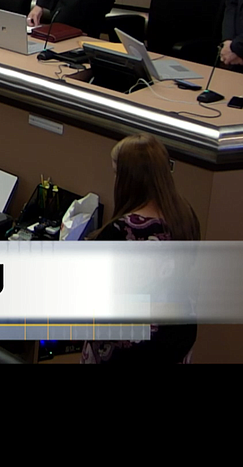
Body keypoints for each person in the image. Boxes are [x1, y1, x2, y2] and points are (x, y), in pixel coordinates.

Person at [81, 134, 200, 364]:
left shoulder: (120, 231)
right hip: (176, 338)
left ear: (129, 179)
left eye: (116, 173)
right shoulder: (186, 217)